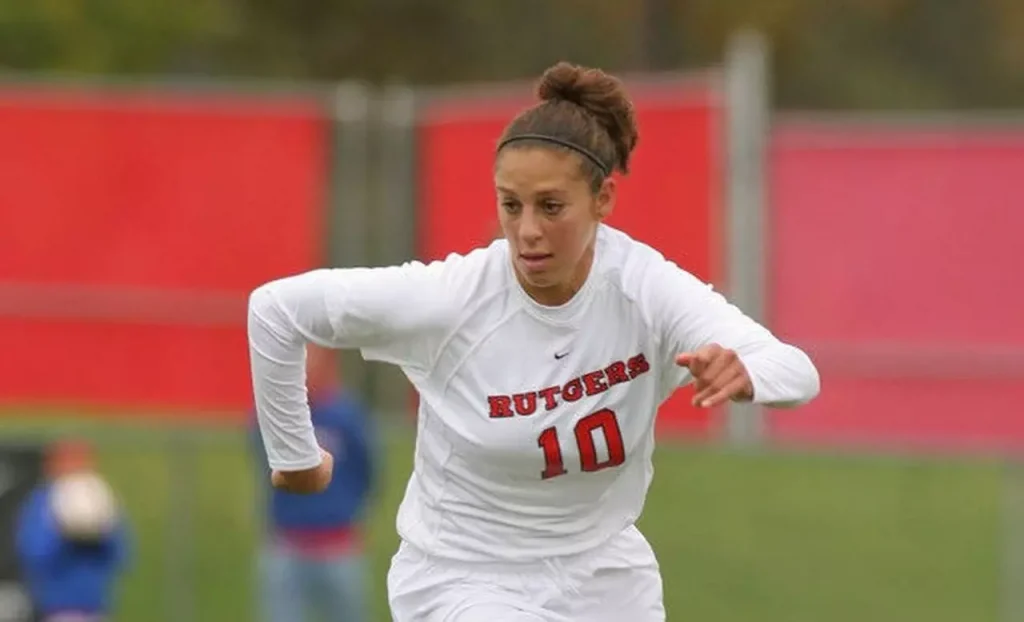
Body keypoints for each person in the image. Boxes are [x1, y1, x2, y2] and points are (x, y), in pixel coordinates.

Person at [246, 61, 821, 621]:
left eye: (551, 206)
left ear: (602, 202)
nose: (527, 231)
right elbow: (275, 311)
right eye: (510, 205)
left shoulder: (645, 288)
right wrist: (294, 455)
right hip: (462, 579)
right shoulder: (452, 298)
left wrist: (747, 372)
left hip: (603, 579)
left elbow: (795, 369)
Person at [251, 344, 375, 622]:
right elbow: (262, 459)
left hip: (338, 547)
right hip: (287, 546)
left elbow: (367, 470)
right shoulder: (276, 414)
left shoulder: (347, 417)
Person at [15, 440, 130, 622]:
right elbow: (34, 554)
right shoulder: (42, 502)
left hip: (96, 607)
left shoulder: (100, 498)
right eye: (67, 460)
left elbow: (121, 553)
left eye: (78, 459)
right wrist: (64, 536)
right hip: (58, 609)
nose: (73, 466)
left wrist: (101, 534)